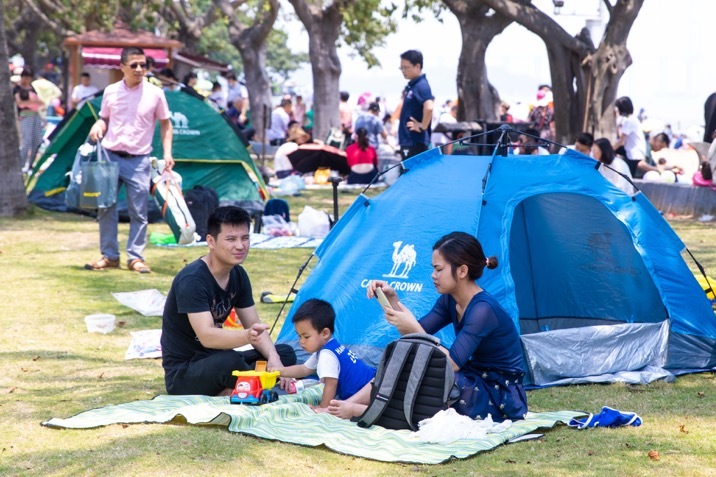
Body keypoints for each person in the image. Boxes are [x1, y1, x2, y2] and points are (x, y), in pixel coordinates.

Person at [328, 232, 528, 422]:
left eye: (439, 269)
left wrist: (413, 328)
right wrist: (393, 302)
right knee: (407, 355)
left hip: (500, 393)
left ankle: (362, 410)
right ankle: (346, 404)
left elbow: (452, 364)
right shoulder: (449, 300)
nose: (433, 275)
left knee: (432, 378)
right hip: (473, 378)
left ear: (462, 271)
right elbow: (416, 335)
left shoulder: (483, 310)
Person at [161, 206, 297, 396]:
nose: (240, 246)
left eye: (245, 238)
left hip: (217, 359)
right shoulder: (192, 279)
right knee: (230, 361)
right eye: (231, 239)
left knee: (285, 353)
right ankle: (245, 386)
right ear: (211, 241)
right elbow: (207, 336)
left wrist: (274, 358)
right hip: (185, 372)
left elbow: (254, 325)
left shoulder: (238, 275)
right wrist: (247, 336)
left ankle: (237, 387)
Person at [85, 46, 174, 273]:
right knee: (105, 208)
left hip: (139, 159)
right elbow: (105, 118)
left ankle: (135, 258)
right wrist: (98, 124)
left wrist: (167, 153)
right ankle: (109, 256)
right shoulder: (111, 91)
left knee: (139, 211)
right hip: (110, 156)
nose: (138, 69)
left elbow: (166, 123)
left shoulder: (155, 93)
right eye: (133, 65)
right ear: (122, 67)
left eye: (143, 65)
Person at [272, 299, 375, 411]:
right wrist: (279, 371)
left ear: (325, 333)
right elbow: (304, 369)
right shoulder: (330, 346)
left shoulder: (327, 354)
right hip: (371, 383)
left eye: (306, 337)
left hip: (370, 391)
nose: (301, 341)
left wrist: (323, 408)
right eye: (299, 336)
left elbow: (331, 383)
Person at [398, 49, 434, 161]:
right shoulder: (413, 85)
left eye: (406, 67)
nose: (403, 71)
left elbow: (429, 107)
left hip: (414, 142)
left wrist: (423, 126)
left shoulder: (421, 85)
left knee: (411, 176)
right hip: (410, 142)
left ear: (417, 66)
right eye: (401, 68)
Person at [613, 96, 658, 178]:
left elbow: (621, 140)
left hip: (634, 154)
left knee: (630, 178)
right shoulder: (632, 119)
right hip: (633, 151)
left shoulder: (630, 121)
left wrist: (609, 149)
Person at [14, 67, 44, 173]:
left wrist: (31, 103)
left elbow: (40, 102)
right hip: (24, 117)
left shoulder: (32, 88)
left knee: (37, 141)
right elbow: (20, 104)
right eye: (25, 77)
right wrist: (32, 103)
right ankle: (21, 165)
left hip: (35, 116)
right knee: (26, 142)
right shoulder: (17, 89)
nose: (27, 80)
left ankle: (30, 165)